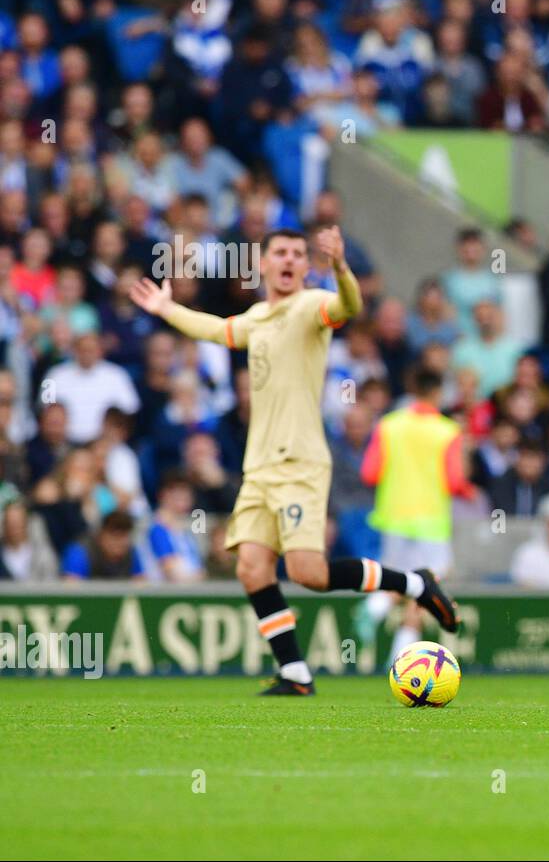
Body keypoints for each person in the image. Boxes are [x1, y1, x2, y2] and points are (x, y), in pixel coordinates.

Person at [128, 226, 458, 696]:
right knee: (252, 568)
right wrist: (166, 309)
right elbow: (217, 330)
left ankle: (416, 584)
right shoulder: (259, 316)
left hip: (299, 462)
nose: (287, 260)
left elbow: (349, 307)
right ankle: (296, 673)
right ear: (262, 264)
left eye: (296, 254)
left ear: (306, 266)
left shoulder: (310, 307)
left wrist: (342, 268)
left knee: (308, 573)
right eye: (279, 252)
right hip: (259, 467)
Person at [359, 369, 477, 665]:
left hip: (394, 518)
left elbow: (369, 473)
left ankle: (379, 615)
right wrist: (467, 490)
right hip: (430, 522)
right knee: (427, 585)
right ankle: (392, 638)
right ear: (438, 393)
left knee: (400, 580)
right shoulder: (447, 431)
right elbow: (453, 481)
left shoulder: (388, 425)